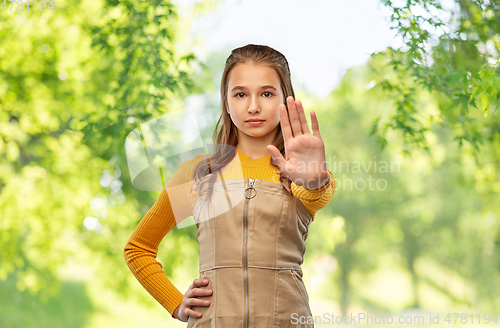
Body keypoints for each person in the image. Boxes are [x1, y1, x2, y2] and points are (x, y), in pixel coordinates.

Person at [124, 44, 336, 327]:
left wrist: (315, 180)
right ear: (226, 101)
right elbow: (138, 247)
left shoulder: (300, 173)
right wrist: (175, 303)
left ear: (285, 100)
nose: (253, 106)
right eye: (240, 94)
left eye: (267, 93)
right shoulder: (197, 173)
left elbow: (318, 193)